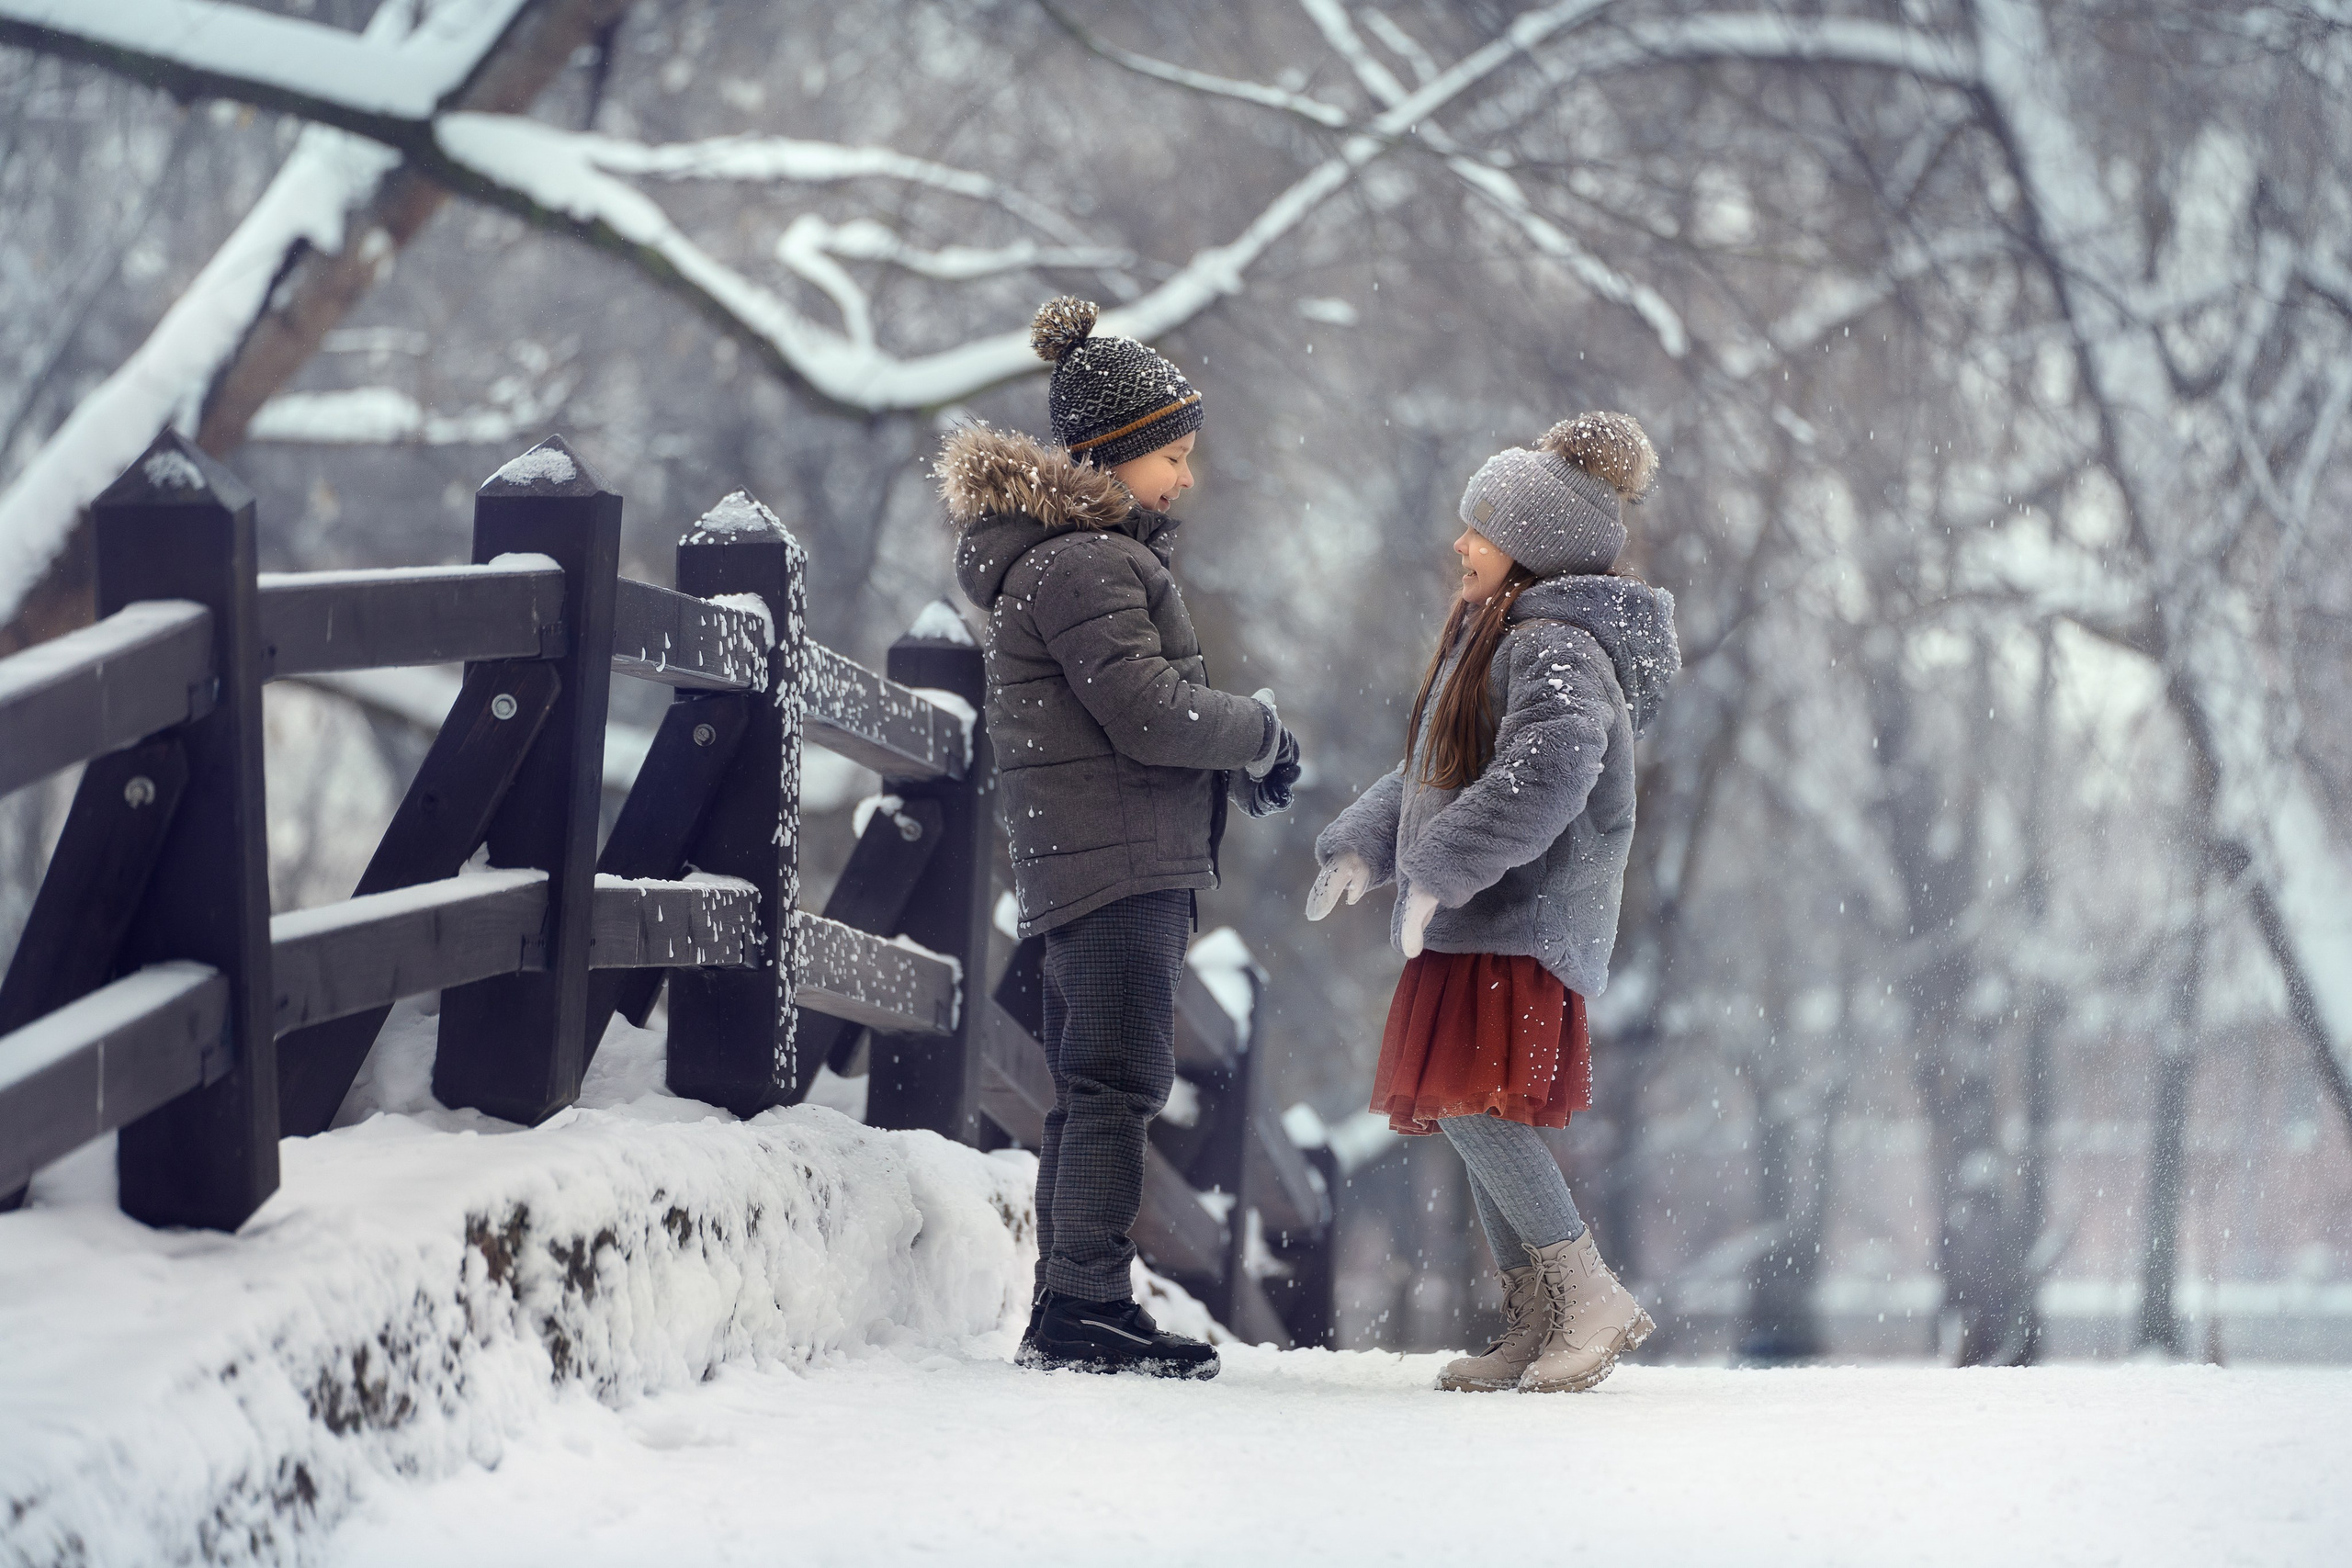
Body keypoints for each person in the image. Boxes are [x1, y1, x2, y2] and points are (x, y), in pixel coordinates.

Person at [939, 297, 1300, 1379]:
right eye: (1172, 456)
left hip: (1098, 855)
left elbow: (1127, 720)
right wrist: (1263, 731)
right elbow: (1145, 710)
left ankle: (1075, 1300)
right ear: (1113, 451)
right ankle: (1083, 1304)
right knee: (1113, 1084)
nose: (1184, 478)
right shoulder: (1086, 562)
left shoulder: (1067, 560)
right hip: (1115, 867)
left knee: (1097, 1081)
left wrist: (1241, 765)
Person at [1308, 412, 1679, 1393]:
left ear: (1531, 549)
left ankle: (1587, 1295)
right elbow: (1435, 770)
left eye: (1479, 529)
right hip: (1475, 922)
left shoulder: (1554, 643)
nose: (1458, 544)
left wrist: (1441, 869)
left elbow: (1548, 772)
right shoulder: (1498, 635)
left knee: (1474, 1110)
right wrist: (1364, 848)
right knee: (1465, 1108)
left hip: (1513, 923)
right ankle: (1534, 1318)